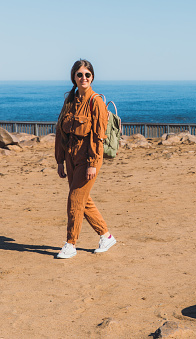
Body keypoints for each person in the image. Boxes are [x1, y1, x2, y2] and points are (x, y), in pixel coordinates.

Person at [54, 59, 116, 259]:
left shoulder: (95, 101)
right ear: (73, 76)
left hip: (88, 158)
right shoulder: (69, 100)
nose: (83, 78)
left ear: (92, 77)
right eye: (79, 74)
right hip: (71, 156)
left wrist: (92, 164)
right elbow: (60, 132)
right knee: (82, 199)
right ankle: (106, 235)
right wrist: (60, 160)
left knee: (74, 199)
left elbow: (98, 137)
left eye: (87, 75)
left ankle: (71, 244)